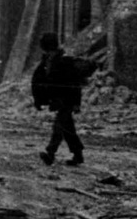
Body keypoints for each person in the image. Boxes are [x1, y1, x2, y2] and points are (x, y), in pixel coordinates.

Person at [31, 32, 94, 166]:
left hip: (66, 100)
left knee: (59, 127)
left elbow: (74, 83)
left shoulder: (64, 61)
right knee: (67, 128)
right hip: (58, 100)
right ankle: (78, 154)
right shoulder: (47, 60)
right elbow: (38, 81)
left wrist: (76, 103)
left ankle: (50, 153)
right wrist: (39, 100)